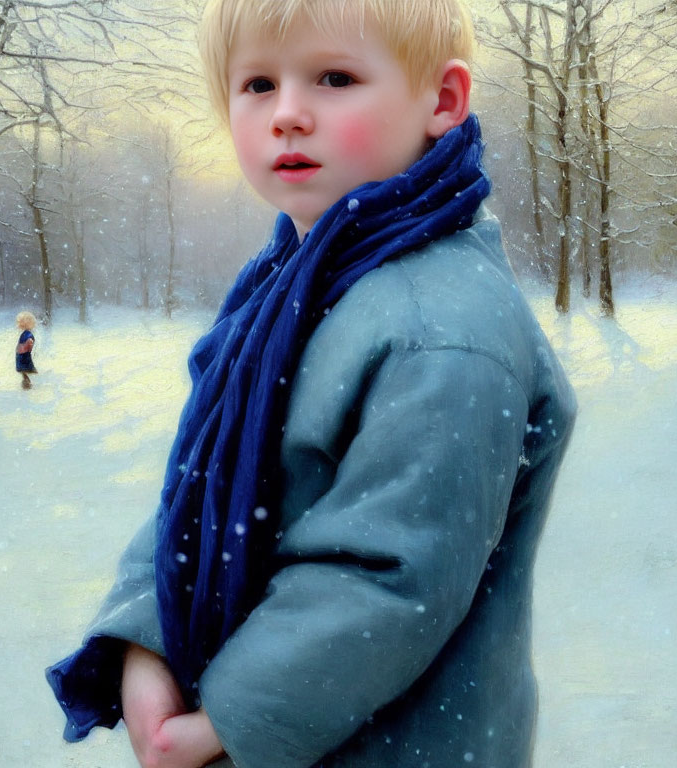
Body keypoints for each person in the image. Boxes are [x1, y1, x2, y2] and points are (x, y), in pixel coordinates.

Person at [46, 1, 577, 766]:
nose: (288, 114)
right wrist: (144, 639)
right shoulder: (292, 287)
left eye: (334, 77)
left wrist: (219, 724)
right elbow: (202, 479)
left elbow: (386, 579)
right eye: (257, 84)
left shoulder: (441, 328)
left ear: (444, 101)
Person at [15, 311, 37, 389]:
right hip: (22, 355)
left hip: (23, 356)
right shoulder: (25, 333)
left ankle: (27, 385)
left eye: (19, 323)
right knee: (24, 371)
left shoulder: (27, 334)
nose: (18, 325)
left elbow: (30, 341)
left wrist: (24, 346)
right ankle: (26, 384)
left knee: (25, 370)